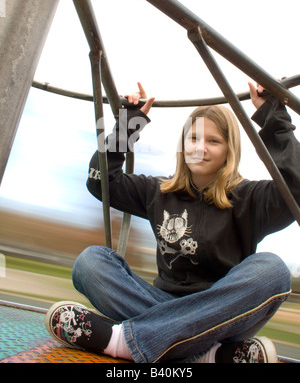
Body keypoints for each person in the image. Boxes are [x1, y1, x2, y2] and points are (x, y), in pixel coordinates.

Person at [45, 82, 299, 363]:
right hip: (161, 303)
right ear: (183, 144)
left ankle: (121, 341)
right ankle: (207, 355)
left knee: (273, 270)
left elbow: (296, 190)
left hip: (223, 314)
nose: (200, 148)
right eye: (193, 139)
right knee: (90, 262)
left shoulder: (250, 198)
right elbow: (99, 181)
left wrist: (274, 117)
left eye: (213, 141)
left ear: (229, 149)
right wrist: (126, 125)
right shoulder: (159, 191)